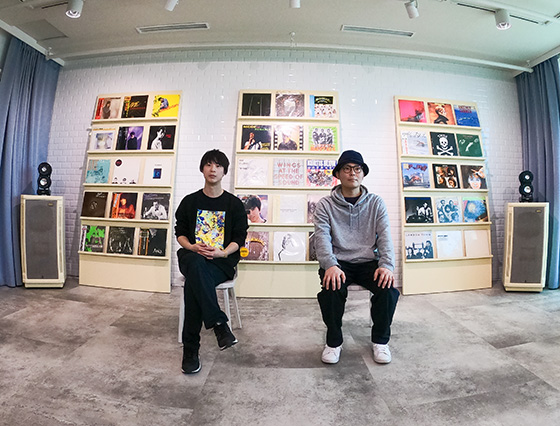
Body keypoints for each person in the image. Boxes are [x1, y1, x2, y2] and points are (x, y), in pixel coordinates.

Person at [312, 150, 399, 365]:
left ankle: (380, 341)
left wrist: (387, 265)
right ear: (338, 174)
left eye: (357, 169)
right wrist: (330, 265)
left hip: (368, 261)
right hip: (338, 263)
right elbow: (321, 239)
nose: (353, 173)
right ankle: (333, 342)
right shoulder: (325, 205)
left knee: (388, 290)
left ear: (363, 173)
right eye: (347, 169)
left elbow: (385, 236)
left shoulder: (376, 203)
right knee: (331, 290)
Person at [175, 149, 248, 374]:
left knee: (194, 282)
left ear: (224, 171)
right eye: (208, 164)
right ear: (202, 169)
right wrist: (192, 247)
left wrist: (222, 253)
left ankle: (191, 350)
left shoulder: (234, 204)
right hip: (192, 256)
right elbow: (180, 233)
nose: (212, 169)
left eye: (217, 165)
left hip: (220, 262)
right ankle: (219, 324)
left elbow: (239, 238)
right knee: (196, 264)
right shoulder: (190, 201)